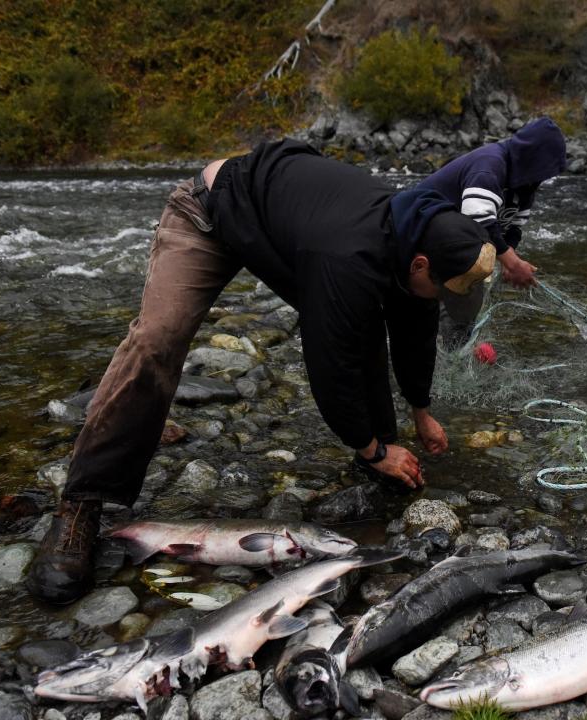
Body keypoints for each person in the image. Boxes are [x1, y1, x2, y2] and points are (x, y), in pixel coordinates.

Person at [26, 139, 495, 604]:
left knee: (368, 319)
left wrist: (420, 410)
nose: (444, 299)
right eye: (443, 287)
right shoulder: (347, 255)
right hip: (209, 213)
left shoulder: (417, 235)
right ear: (420, 263)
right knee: (157, 341)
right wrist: (373, 449)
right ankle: (80, 505)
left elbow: (413, 331)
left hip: (281, 230)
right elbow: (328, 364)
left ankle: (374, 449)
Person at [416, 116, 567, 290]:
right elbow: (477, 221)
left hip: (451, 247)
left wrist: (509, 259)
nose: (545, 178)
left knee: (467, 300)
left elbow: (513, 229)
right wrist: (513, 263)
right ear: (532, 160)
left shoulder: (525, 186)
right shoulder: (489, 165)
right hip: (415, 234)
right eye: (546, 170)